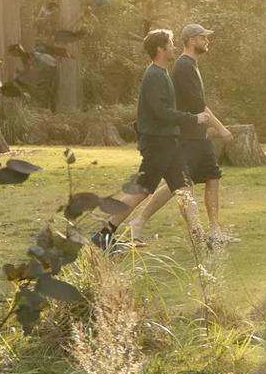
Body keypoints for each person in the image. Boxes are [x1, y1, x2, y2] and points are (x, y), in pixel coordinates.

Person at [98, 29, 229, 250]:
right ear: (160, 49)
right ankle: (104, 235)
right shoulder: (154, 76)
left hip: (169, 142)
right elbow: (162, 112)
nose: (173, 47)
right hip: (157, 143)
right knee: (141, 190)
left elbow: (166, 111)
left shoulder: (163, 73)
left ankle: (199, 238)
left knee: (184, 188)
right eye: (169, 43)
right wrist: (193, 118)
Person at [169, 23, 235, 247]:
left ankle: (215, 230)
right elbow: (199, 106)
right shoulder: (184, 66)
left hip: (198, 135)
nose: (206, 40)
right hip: (186, 136)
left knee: (212, 177)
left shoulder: (192, 65)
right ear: (189, 40)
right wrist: (221, 128)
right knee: (183, 186)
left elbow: (200, 105)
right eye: (201, 37)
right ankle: (197, 234)